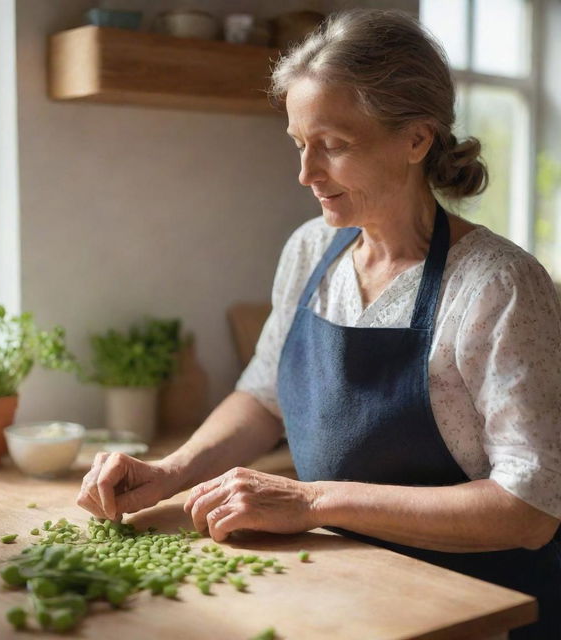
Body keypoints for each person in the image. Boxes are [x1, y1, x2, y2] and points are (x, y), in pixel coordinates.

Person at [77, 9, 561, 638]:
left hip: (478, 606)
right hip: (345, 585)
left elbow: (529, 507)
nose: (306, 174)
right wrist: (172, 471)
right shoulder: (311, 248)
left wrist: (310, 501)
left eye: (333, 145)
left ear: (416, 140)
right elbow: (264, 397)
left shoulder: (498, 284)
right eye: (299, 144)